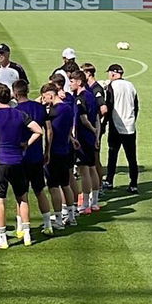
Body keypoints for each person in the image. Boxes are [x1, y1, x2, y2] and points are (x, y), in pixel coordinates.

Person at [0, 82, 43, 249]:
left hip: (0, 162)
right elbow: (39, 131)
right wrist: (26, 144)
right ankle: (27, 234)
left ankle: (2, 238)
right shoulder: (20, 114)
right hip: (18, 162)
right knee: (22, 198)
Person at [13, 78, 58, 234]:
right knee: (40, 191)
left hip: (21, 158)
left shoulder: (16, 111)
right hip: (37, 156)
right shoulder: (39, 108)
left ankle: (21, 227)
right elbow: (49, 131)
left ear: (15, 93)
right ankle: (48, 225)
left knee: (21, 194)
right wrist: (47, 151)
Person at [43, 79, 78, 226]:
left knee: (53, 186)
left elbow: (50, 133)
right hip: (66, 149)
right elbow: (69, 128)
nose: (45, 101)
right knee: (66, 184)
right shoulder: (68, 109)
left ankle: (58, 219)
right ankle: (71, 216)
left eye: (45, 97)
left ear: (51, 95)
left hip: (55, 152)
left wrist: (47, 152)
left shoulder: (53, 112)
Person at [103, 63, 141, 193]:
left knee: (113, 154)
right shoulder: (131, 86)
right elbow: (136, 107)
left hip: (116, 125)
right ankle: (134, 184)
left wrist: (104, 124)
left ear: (113, 73)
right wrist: (132, 120)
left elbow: (109, 105)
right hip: (130, 126)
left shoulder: (112, 86)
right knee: (132, 157)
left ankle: (109, 181)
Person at [71, 69, 101, 216]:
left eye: (72, 81)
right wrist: (96, 135)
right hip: (91, 138)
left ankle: (85, 204)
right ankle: (95, 202)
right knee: (92, 168)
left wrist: (91, 130)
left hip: (83, 138)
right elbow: (96, 117)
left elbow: (83, 119)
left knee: (84, 171)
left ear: (79, 82)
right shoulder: (91, 96)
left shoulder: (80, 99)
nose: (70, 84)